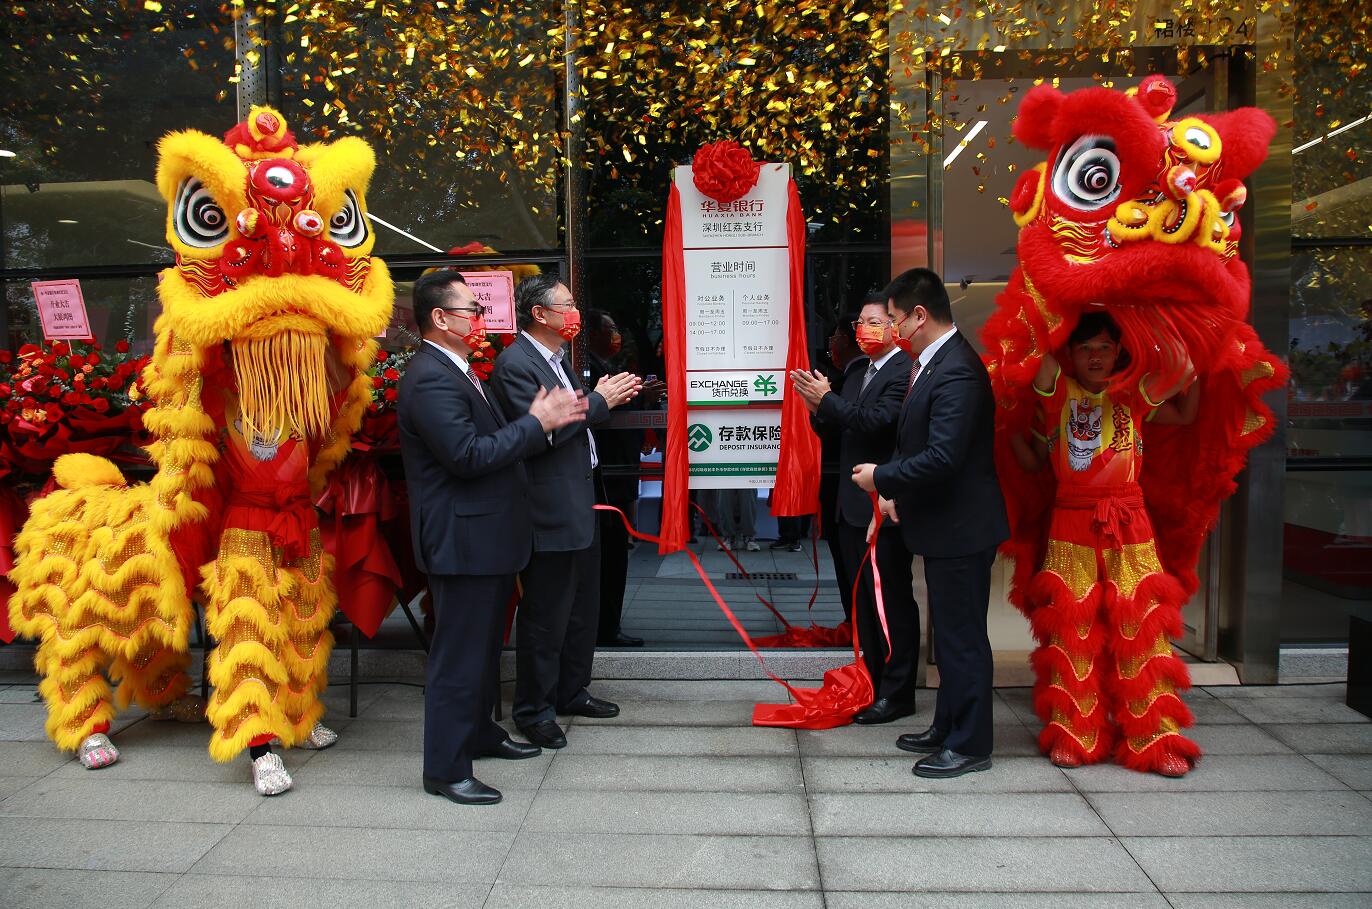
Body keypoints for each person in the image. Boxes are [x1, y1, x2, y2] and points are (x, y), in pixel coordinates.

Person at [398, 270, 587, 805]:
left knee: (481, 654)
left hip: (487, 539)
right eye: (471, 311)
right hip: (463, 543)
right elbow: (467, 456)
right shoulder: (430, 377)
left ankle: (479, 733)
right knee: (458, 660)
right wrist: (538, 423)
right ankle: (445, 769)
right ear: (440, 318)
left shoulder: (458, 371)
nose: (481, 319)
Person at [1009, 311, 1201, 776]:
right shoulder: (1057, 391)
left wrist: (1149, 314)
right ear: (1070, 354)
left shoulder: (1134, 392)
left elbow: (1184, 381)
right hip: (1070, 522)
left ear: (1119, 352)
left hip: (1129, 522)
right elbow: (1036, 350)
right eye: (1085, 348)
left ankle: (1155, 737)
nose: (1095, 356)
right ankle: (1075, 735)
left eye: (1104, 347)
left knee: (1142, 627)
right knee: (1072, 628)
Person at [852, 267, 1009, 779]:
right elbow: (917, 440)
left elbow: (944, 456)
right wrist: (895, 493)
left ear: (920, 316)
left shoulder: (957, 370)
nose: (891, 329)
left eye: (895, 319)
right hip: (943, 524)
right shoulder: (932, 363)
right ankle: (947, 726)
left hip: (961, 528)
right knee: (952, 636)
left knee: (963, 640)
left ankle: (970, 744)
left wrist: (882, 477)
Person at [490, 274, 642, 750]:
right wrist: (599, 401)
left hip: (580, 500)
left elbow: (575, 418)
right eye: (567, 304)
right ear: (540, 314)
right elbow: (542, 431)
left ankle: (571, 690)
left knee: (581, 608)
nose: (575, 313)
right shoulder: (516, 364)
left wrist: (601, 400)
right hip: (547, 508)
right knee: (546, 615)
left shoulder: (558, 360)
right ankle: (534, 709)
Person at [793, 292, 918, 725]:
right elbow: (839, 427)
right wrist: (817, 406)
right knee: (861, 603)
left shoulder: (905, 371)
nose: (864, 330)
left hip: (883, 502)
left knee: (890, 601)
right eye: (860, 322)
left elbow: (876, 420)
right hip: (850, 504)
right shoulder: (859, 371)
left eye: (875, 322)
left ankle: (898, 692)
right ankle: (873, 680)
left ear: (897, 326)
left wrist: (829, 400)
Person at [584, 308, 650, 647]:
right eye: (609, 328)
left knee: (614, 555)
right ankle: (605, 628)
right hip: (607, 477)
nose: (616, 335)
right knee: (610, 557)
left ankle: (607, 625)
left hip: (618, 475)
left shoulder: (604, 366)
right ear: (593, 333)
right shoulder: (587, 370)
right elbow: (601, 415)